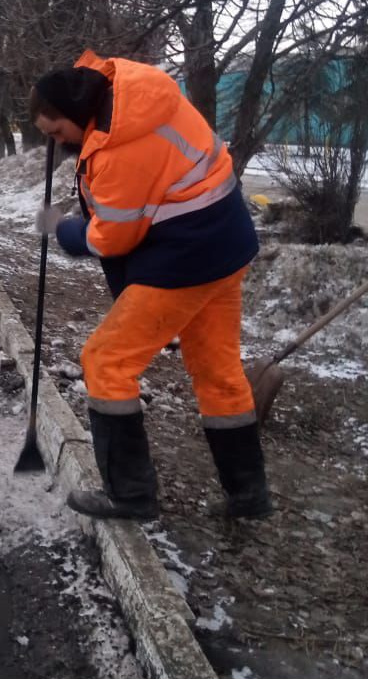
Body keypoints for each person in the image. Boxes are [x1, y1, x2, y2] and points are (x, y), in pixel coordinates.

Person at [31, 48, 272, 521]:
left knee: (106, 360)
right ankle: (249, 497)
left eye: (57, 132)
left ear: (76, 114)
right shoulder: (130, 98)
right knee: (218, 370)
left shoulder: (122, 143)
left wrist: (61, 228)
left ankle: (130, 495)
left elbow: (113, 237)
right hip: (223, 246)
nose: (58, 143)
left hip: (185, 258)